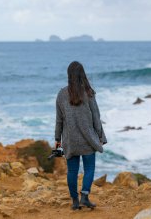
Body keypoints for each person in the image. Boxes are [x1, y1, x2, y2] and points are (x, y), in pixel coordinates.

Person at [55, 61, 107, 210]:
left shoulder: (61, 94)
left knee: (72, 171)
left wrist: (57, 140)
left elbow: (59, 120)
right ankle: (84, 195)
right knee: (89, 168)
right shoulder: (89, 92)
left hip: (70, 140)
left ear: (69, 75)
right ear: (82, 74)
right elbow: (96, 117)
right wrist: (101, 137)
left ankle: (75, 202)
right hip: (87, 139)